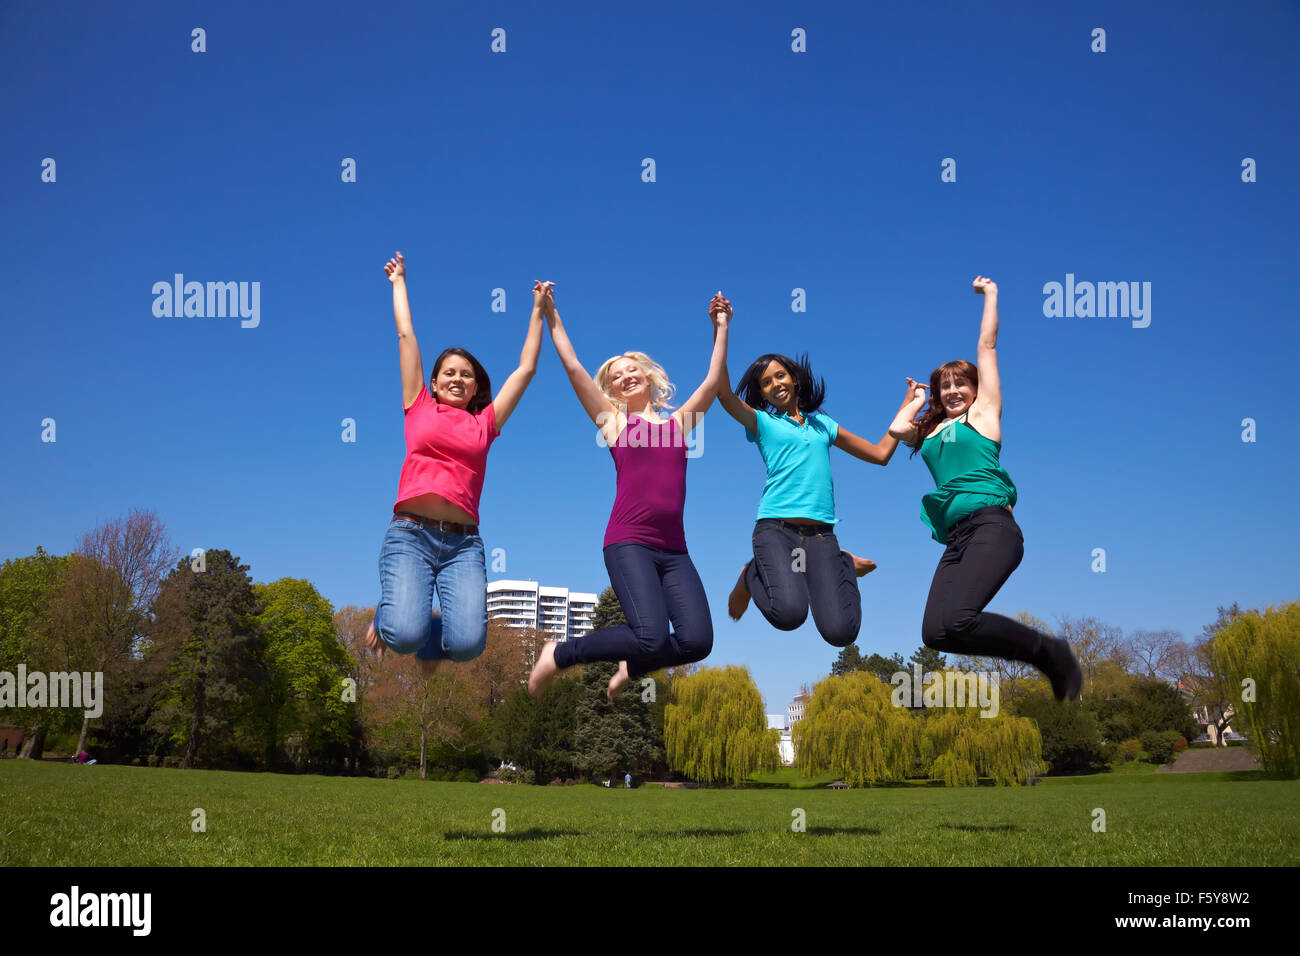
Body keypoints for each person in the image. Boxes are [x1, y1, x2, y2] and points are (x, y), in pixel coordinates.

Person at [528, 286, 728, 700]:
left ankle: (630, 664)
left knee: (698, 642)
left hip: (675, 552)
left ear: (648, 376)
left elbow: (711, 383)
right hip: (628, 543)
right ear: (612, 391)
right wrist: (551, 314)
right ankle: (561, 653)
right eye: (615, 377)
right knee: (650, 635)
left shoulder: (678, 426)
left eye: (630, 370)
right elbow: (573, 367)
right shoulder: (615, 425)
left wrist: (720, 327)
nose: (624, 377)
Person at [889, 276, 1082, 700]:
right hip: (956, 540)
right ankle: (1043, 654)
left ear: (976, 390)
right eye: (945, 386)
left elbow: (987, 348)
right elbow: (896, 427)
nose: (953, 390)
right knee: (935, 632)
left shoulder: (984, 417)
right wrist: (918, 398)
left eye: (961, 383)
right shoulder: (933, 430)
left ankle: (1050, 653)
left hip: (992, 527)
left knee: (957, 617)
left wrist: (991, 295)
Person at [364, 252, 546, 674]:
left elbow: (526, 369)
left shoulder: (485, 424)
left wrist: (537, 311)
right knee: (403, 634)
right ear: (433, 381)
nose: (458, 379)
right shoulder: (418, 406)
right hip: (410, 535)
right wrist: (399, 283)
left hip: (463, 545)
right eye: (449, 372)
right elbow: (406, 337)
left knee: (465, 646)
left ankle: (423, 636)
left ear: (475, 386)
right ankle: (389, 612)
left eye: (467, 374)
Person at [715, 293, 915, 648]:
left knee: (841, 633)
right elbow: (724, 394)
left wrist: (906, 409)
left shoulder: (823, 425)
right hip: (776, 531)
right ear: (761, 392)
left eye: (780, 376)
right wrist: (721, 328)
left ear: (794, 378)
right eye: (766, 382)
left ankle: (843, 564)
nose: (775, 384)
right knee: (789, 615)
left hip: (823, 538)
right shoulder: (762, 423)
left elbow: (882, 453)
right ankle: (751, 575)